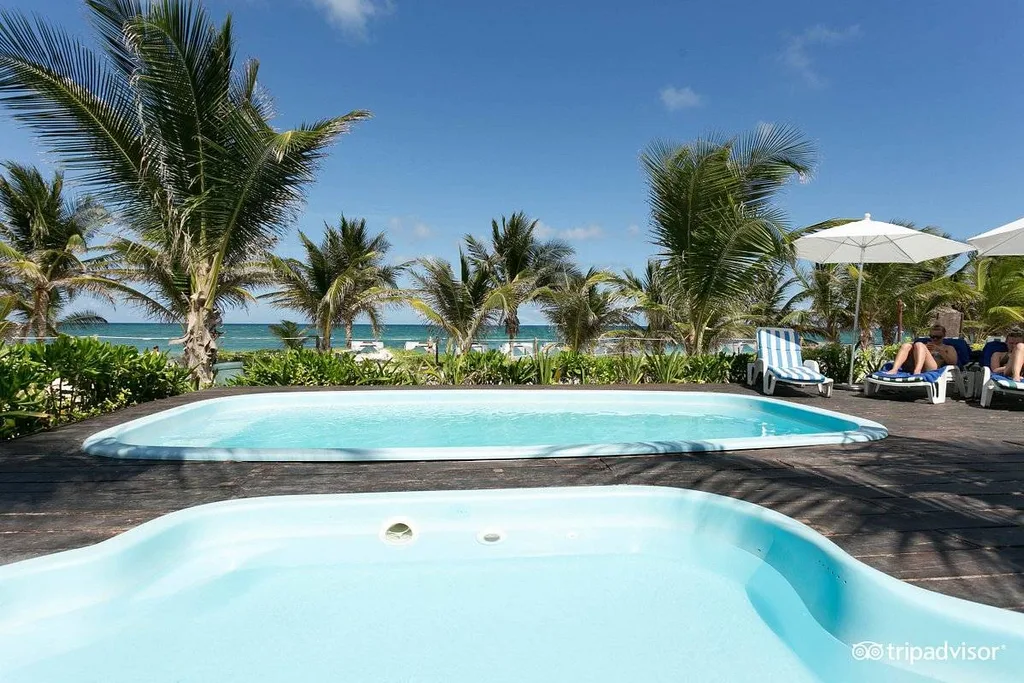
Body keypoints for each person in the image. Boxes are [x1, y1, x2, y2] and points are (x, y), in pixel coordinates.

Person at [883, 325, 959, 375]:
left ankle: (917, 371)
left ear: (943, 336)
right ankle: (894, 369)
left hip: (931, 368)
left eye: (938, 337)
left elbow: (953, 362)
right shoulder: (924, 345)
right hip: (912, 365)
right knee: (906, 345)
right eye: (932, 336)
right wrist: (921, 348)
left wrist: (939, 350)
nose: (935, 339)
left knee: (919, 344)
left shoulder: (948, 348)